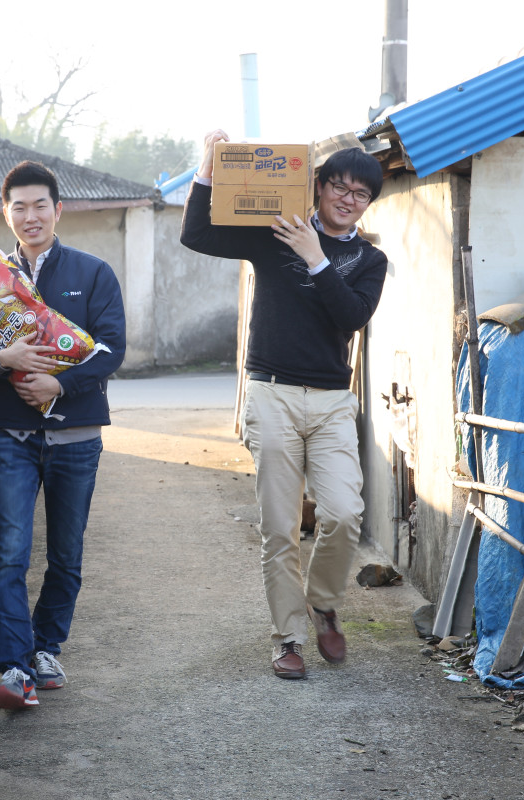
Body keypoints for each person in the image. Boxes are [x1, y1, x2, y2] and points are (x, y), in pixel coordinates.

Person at [180, 130, 388, 680]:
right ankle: (288, 638)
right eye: (338, 187)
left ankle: (322, 603)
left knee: (344, 514)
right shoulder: (274, 234)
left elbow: (350, 317)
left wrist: (317, 259)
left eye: (359, 194)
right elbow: (197, 233)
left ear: (368, 203)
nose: (347, 198)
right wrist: (207, 167)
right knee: (279, 526)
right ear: (317, 188)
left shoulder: (370, 259)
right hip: (271, 392)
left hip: (331, 401)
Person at [0, 160, 126, 708]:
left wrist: (59, 384)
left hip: (75, 438)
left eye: (39, 206)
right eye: (18, 207)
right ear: (6, 214)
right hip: (12, 439)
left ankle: (46, 647)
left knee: (66, 556)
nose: (30, 216)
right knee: (10, 555)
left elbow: (112, 348)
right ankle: (15, 669)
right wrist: (2, 357)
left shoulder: (93, 273)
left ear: (58, 210)